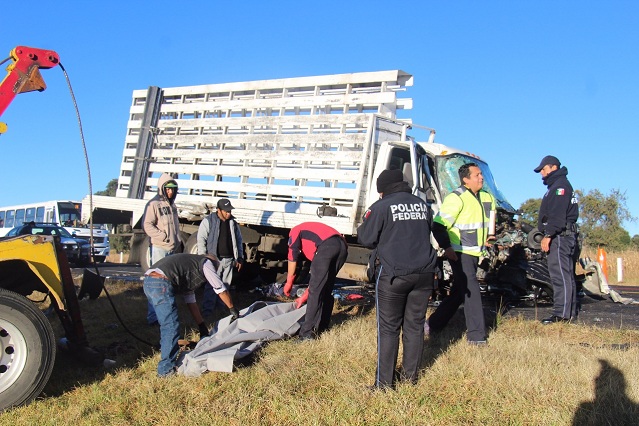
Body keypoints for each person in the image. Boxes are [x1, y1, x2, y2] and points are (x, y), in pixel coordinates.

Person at [357, 168, 437, 389]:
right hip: (424, 274)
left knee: (389, 328)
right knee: (414, 327)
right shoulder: (422, 205)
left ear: (381, 190)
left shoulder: (381, 206)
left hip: (394, 275)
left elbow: (366, 239)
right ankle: (410, 380)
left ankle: (384, 384)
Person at [428, 162, 496, 345]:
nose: (481, 177)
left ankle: (433, 324)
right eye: (477, 175)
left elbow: (489, 221)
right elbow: (438, 225)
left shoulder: (487, 197)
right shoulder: (456, 198)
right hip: (460, 252)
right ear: (466, 180)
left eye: (481, 174)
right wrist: (447, 247)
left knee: (459, 291)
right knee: (471, 289)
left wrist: (490, 237)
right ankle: (476, 336)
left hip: (476, 252)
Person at [143, 253, 240, 377]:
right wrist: (232, 309)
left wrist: (201, 326)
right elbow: (219, 287)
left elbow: (191, 302)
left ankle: (166, 356)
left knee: (166, 325)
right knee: (170, 326)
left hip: (149, 282)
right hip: (160, 282)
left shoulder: (188, 268)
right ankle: (165, 371)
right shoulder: (206, 263)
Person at [283, 222, 348, 341]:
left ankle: (306, 334)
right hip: (342, 246)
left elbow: (292, 256)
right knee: (326, 288)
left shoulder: (294, 231)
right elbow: (317, 281)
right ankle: (323, 327)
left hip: (327, 246)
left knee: (316, 293)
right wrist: (303, 298)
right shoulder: (312, 239)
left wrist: (289, 282)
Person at [534, 155, 579, 324]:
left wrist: (548, 235)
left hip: (560, 237)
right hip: (564, 235)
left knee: (560, 275)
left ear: (553, 167)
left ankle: (561, 315)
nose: (542, 174)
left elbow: (557, 217)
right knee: (565, 275)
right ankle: (568, 313)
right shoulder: (559, 186)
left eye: (543, 170)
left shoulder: (560, 187)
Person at [143, 172, 181, 325]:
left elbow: (176, 226)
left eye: (173, 189)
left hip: (172, 249)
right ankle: (153, 317)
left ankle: (164, 315)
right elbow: (147, 225)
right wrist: (162, 236)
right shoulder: (154, 204)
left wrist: (177, 241)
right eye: (168, 188)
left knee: (168, 284)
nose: (171, 191)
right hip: (159, 248)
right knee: (156, 283)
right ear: (162, 188)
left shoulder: (173, 206)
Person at [196, 198, 244, 316]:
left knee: (225, 286)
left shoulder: (233, 223)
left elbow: (238, 240)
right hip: (213, 259)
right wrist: (202, 257)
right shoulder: (208, 221)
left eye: (230, 211)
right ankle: (208, 311)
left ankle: (221, 309)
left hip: (228, 260)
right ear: (219, 210)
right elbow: (201, 239)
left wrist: (239, 257)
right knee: (211, 286)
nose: (229, 213)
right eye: (226, 211)